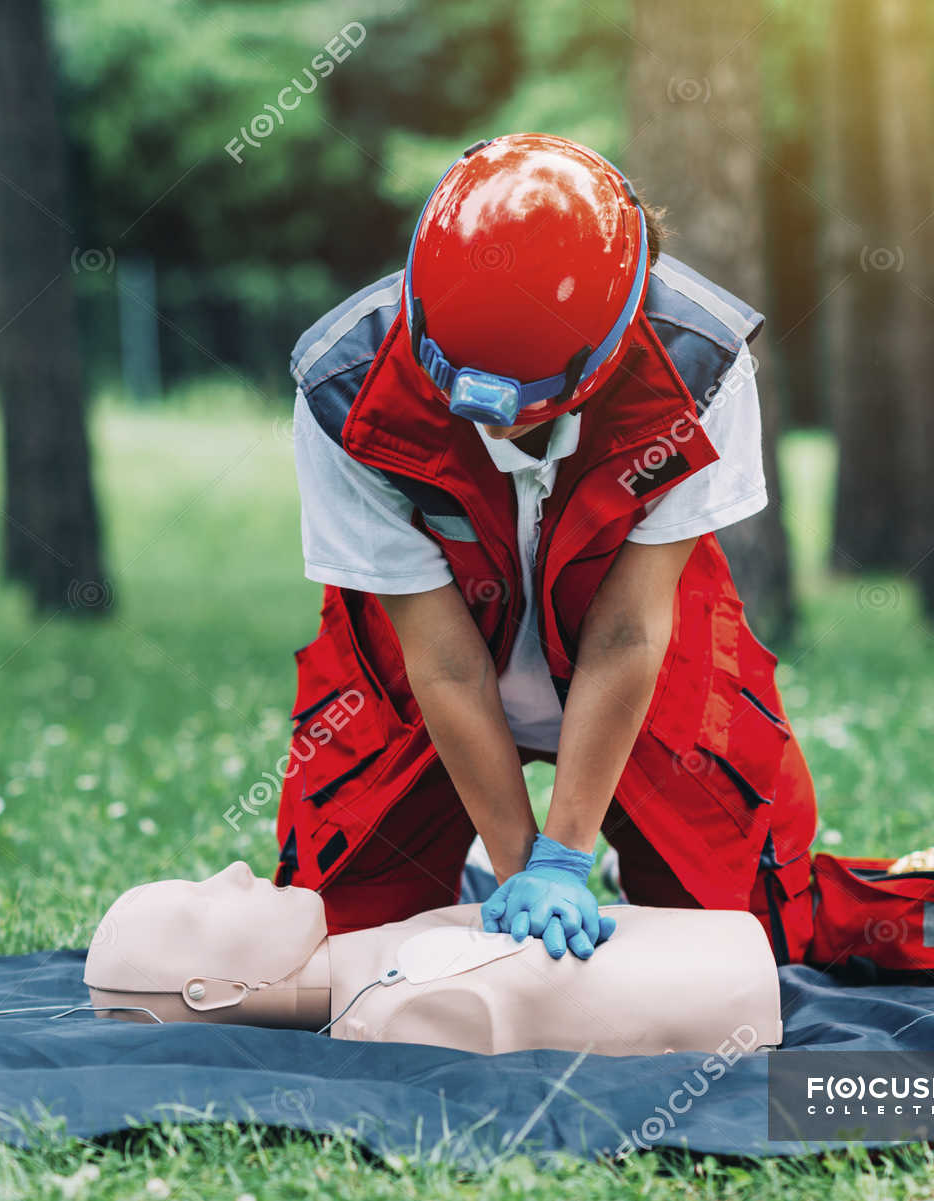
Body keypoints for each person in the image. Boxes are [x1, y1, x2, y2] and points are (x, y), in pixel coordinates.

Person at [275, 132, 817, 964]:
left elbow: (632, 629)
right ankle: (462, 867)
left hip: (644, 656)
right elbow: (444, 663)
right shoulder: (343, 387)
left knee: (750, 942)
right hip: (419, 677)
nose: (490, 425)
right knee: (335, 945)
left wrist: (562, 860)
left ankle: (593, 838)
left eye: (522, 406)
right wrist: (519, 866)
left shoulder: (701, 363)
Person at [83, 862, 782, 1056]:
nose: (232, 868)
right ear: (207, 992)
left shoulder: (381, 968)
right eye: (201, 905)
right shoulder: (399, 1007)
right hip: (738, 993)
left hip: (727, 956)